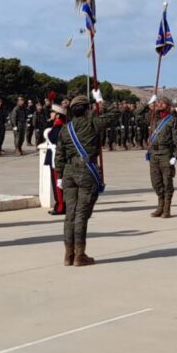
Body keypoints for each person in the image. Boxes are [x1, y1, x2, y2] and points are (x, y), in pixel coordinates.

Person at [54, 91, 114, 266]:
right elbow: (114, 114)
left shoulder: (66, 128)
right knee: (81, 215)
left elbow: (59, 155)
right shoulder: (93, 123)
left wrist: (60, 175)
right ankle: (80, 255)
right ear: (87, 109)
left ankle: (68, 255)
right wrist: (101, 99)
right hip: (86, 171)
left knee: (70, 215)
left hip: (68, 173)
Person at [147, 96, 177, 218]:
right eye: (158, 103)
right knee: (156, 182)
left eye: (162, 103)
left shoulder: (172, 120)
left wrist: (176, 157)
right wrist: (149, 103)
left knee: (167, 182)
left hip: (166, 154)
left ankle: (166, 208)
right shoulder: (153, 119)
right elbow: (137, 114)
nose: (159, 105)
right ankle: (160, 205)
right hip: (154, 154)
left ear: (167, 106)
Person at [43, 103, 68, 215]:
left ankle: (60, 207)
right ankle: (61, 205)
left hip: (56, 159)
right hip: (56, 158)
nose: (51, 114)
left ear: (58, 115)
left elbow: (52, 140)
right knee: (58, 183)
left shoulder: (58, 127)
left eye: (53, 113)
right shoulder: (57, 125)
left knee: (57, 184)